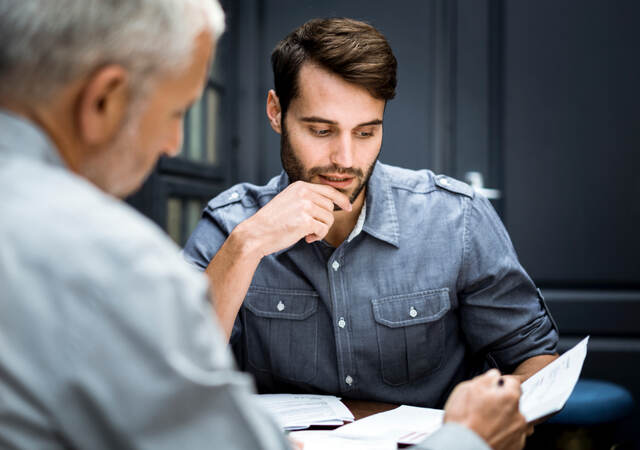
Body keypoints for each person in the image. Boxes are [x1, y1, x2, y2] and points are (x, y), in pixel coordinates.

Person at [0, 2, 529, 449]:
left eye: (367, 132)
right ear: (104, 102)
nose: (173, 146)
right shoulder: (122, 257)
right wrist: (465, 441)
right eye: (176, 112)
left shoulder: (455, 216)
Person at [183, 17, 560, 408]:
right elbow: (174, 375)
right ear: (276, 112)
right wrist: (247, 246)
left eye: (365, 133)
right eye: (321, 130)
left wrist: (488, 423)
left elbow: (537, 360)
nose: (345, 160)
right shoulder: (230, 225)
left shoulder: (457, 219)